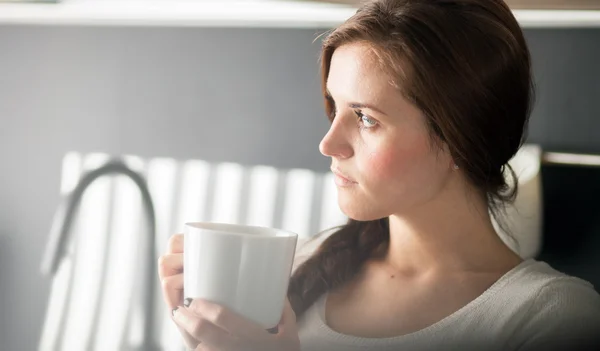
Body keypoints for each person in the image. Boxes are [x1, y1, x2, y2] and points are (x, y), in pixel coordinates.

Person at [158, 0, 600, 350]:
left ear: (459, 138)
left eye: (366, 119)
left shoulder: (554, 319)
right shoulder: (292, 270)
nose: (328, 144)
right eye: (334, 107)